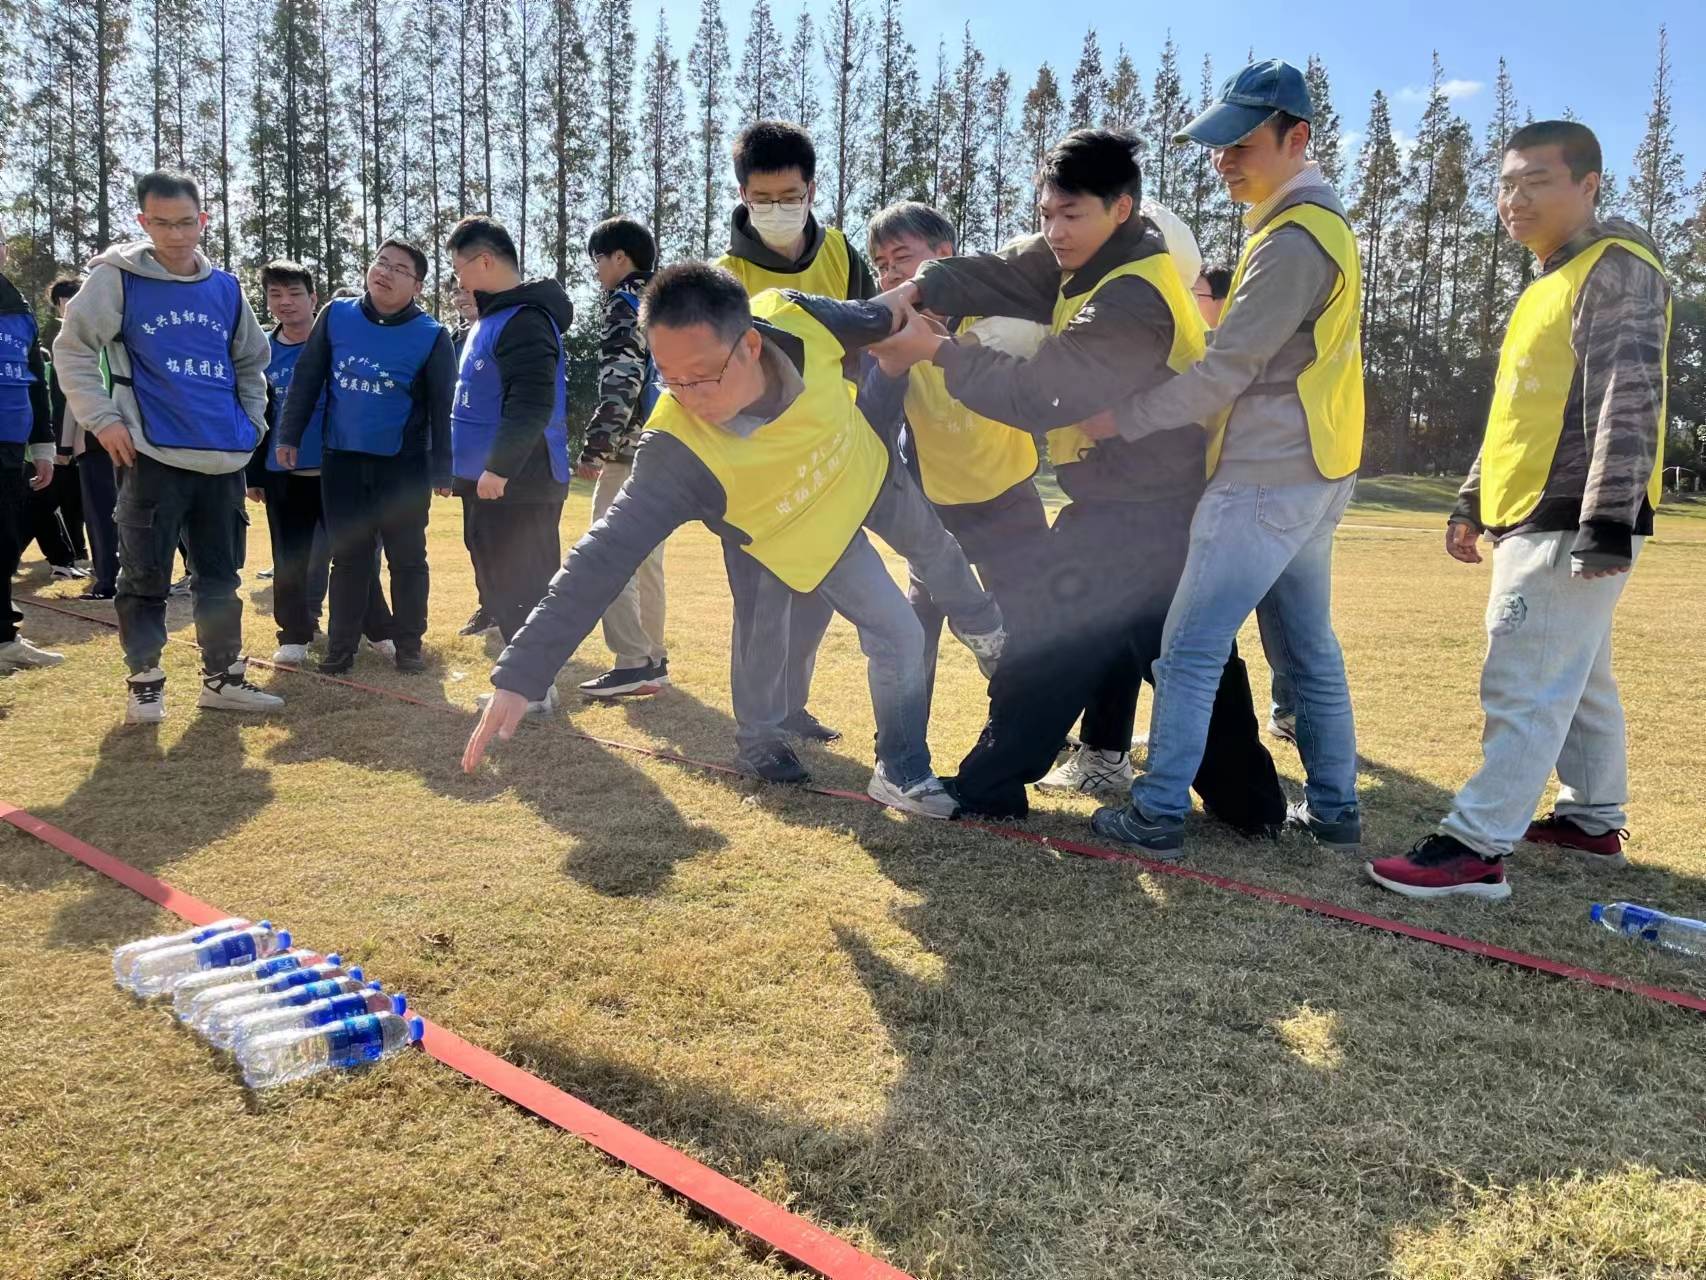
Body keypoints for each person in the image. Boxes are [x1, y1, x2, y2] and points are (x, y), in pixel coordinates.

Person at [462, 262, 993, 817]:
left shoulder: (799, 316)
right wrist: (523, 672)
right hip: (799, 533)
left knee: (924, 581)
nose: (690, 395)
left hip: (861, 469)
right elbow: (601, 556)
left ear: (750, 345)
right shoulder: (672, 453)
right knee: (879, 631)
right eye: (670, 378)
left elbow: (882, 311)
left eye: (703, 374)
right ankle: (827, 756)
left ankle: (947, 700)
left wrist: (929, 288)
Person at [872, 130, 1284, 832]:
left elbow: (1045, 394)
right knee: (1180, 655)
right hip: (1131, 499)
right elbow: (996, 274)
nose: (1055, 231)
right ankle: (1252, 805)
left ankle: (989, 786)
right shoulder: (1083, 256)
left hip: (1139, 504)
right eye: (1047, 214)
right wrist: (915, 289)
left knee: (1053, 644)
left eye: (1072, 215)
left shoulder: (1132, 295)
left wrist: (938, 350)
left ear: (1121, 208)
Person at [1062, 63, 1363, 859]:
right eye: (1216, 145)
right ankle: (1336, 810)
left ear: (1297, 139)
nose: (1224, 158)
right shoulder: (1315, 225)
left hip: (1266, 474)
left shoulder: (1293, 239)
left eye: (1242, 143)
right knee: (1308, 649)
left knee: (1188, 649)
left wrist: (1120, 418)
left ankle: (1157, 813)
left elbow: (1225, 370)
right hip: (1317, 469)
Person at [1366, 121, 1670, 902]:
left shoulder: (1616, 268)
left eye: (1537, 180)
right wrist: (1471, 500)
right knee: (1579, 679)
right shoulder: (1550, 279)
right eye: (1506, 183)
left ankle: (1475, 847)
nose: (1515, 198)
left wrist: (1607, 521)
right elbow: (1516, 410)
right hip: (1530, 506)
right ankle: (1592, 820)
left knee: (1525, 678)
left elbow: (1627, 403)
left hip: (1570, 513)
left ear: (1589, 185)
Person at [53, 169, 282, 722]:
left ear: (203, 219)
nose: (177, 235)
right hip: (150, 454)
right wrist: (102, 418)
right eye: (162, 223)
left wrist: (251, 424)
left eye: (186, 222)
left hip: (222, 455)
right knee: (144, 576)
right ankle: (145, 682)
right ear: (143, 221)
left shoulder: (225, 288)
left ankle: (222, 678)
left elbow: (252, 362)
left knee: (220, 578)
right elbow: (74, 350)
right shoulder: (117, 278)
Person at [715, 119, 880, 755]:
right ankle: (757, 735)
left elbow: (869, 342)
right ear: (742, 195)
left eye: (790, 196)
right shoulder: (724, 278)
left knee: (815, 596)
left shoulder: (841, 256)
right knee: (760, 605)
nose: (777, 210)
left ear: (812, 189)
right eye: (763, 199)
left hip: (832, 462)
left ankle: (791, 706)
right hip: (754, 472)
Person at [861, 201, 1048, 715]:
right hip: (938, 513)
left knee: (1026, 628)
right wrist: (895, 361)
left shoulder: (999, 316)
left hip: (1011, 500)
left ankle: (1014, 733)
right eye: (881, 264)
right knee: (915, 629)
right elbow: (871, 417)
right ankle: (899, 747)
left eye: (903, 256)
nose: (891, 272)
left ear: (944, 256)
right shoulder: (885, 332)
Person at [276, 237, 454, 675]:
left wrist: (444, 469)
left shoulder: (431, 335)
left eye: (400, 269)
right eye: (381, 262)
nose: (386, 272)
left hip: (404, 467)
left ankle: (409, 644)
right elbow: (307, 378)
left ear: (417, 286)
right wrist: (289, 434)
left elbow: (441, 408)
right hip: (343, 462)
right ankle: (341, 649)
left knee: (407, 558)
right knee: (350, 558)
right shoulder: (336, 315)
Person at [445, 214, 574, 690]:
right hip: (489, 481)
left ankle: (533, 686)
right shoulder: (493, 319)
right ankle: (522, 682)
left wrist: (499, 468)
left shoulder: (525, 320)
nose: (457, 278)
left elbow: (533, 402)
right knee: (499, 582)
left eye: (459, 266)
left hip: (522, 481)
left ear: (483, 261)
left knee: (525, 585)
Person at [246, 260, 390, 665]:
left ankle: (378, 629)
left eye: (295, 294)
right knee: (288, 559)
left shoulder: (339, 344)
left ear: (314, 299)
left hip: (338, 470)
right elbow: (256, 413)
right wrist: (254, 473)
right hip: (283, 474)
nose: (285, 303)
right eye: (276, 294)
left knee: (354, 554)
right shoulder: (261, 351)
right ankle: (294, 634)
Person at [577, 216, 669, 698]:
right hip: (666, 446)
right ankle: (653, 657)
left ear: (619, 257)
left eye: (598, 259)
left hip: (627, 450)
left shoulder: (623, 303)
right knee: (649, 559)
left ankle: (633, 661)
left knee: (606, 552)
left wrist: (596, 446)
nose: (596, 270)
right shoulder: (668, 302)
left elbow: (621, 380)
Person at [0, 261, 65, 673]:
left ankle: (5, 641)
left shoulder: (16, 306)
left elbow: (34, 381)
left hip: (10, 447)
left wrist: (43, 444)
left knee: (5, 544)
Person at [49, 275, 119, 600]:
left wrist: (63, 447)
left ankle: (108, 581)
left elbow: (73, 400)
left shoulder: (78, 343)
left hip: (94, 437)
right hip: (129, 433)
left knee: (103, 513)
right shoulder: (117, 334)